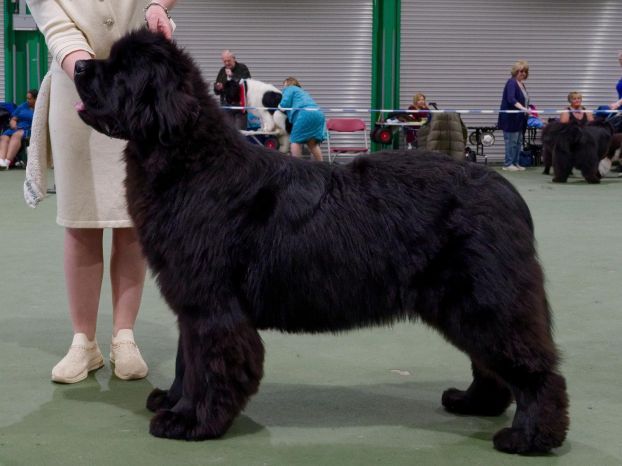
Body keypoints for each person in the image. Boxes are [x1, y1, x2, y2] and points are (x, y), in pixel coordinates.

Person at [26, 0, 177, 384]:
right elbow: (57, 25)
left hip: (139, 90)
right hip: (79, 88)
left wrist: (158, 6)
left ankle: (124, 336)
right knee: (81, 220)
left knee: (131, 224)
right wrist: (87, 74)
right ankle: (84, 343)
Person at [278, 77, 326, 162]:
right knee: (312, 144)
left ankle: (298, 168)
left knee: (295, 141)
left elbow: (284, 104)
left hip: (305, 114)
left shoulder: (290, 88)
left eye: (284, 85)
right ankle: (322, 167)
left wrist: (279, 106)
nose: (283, 88)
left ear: (288, 83)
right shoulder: (302, 92)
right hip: (318, 114)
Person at [498, 60, 533, 172]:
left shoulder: (522, 84)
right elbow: (511, 99)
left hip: (520, 119)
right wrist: (523, 108)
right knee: (511, 142)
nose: (523, 73)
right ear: (515, 71)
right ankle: (508, 164)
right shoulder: (511, 82)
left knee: (518, 142)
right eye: (521, 71)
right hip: (510, 118)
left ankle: (515, 163)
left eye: (525, 71)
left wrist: (528, 110)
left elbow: (525, 100)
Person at [0, 89, 37, 169]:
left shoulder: (39, 109)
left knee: (16, 135)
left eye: (29, 99)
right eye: (27, 98)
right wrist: (13, 123)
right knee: (4, 136)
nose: (27, 100)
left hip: (29, 129)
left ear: (35, 99)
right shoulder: (23, 106)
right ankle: (1, 160)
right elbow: (14, 118)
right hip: (16, 127)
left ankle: (7, 162)